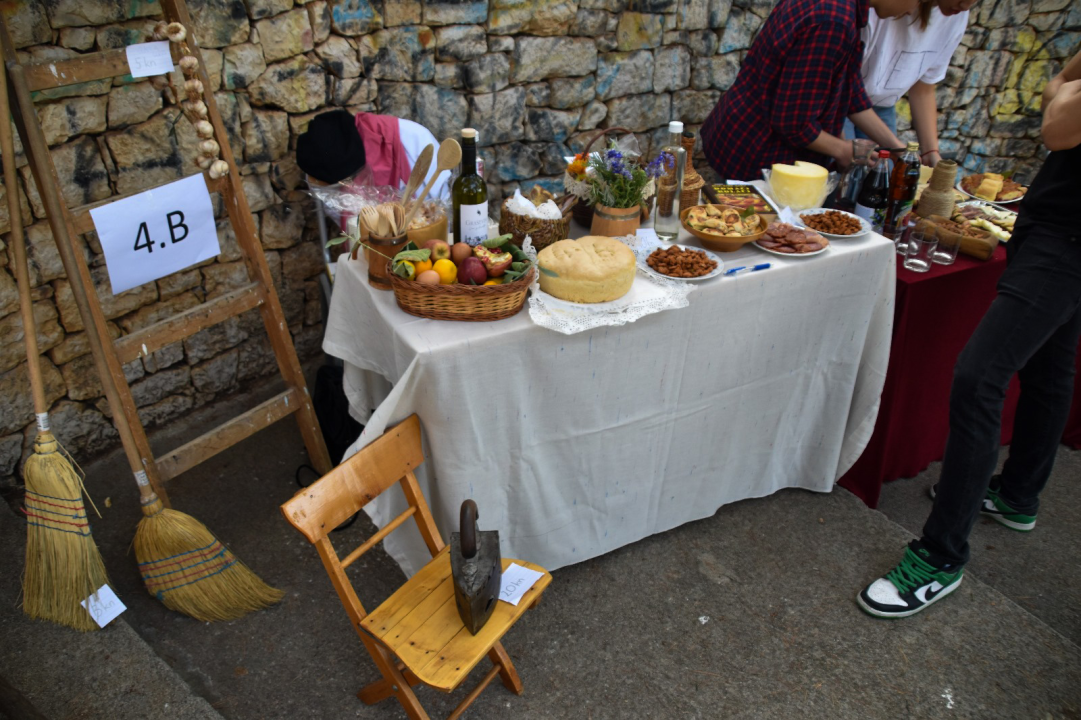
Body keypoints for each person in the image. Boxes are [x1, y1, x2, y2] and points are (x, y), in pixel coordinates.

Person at [858, 50, 1081, 619]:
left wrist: (1057, 88)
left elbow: (1057, 123)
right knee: (1050, 367)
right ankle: (1018, 495)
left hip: (1067, 241)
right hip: (1053, 219)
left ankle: (940, 554)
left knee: (979, 377)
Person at [700, 0, 917, 182]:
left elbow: (849, 89)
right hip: (758, 158)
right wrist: (842, 150)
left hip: (751, 144)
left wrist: (896, 147)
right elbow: (793, 122)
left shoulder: (844, 11)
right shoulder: (834, 20)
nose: (911, 11)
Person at [846, 0, 978, 166]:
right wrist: (896, 146)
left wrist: (931, 152)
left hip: (882, 106)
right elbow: (846, 87)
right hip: (839, 102)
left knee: (885, 175)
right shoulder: (877, 9)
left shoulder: (956, 17)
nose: (966, 7)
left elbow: (923, 89)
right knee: (842, 175)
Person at [296, 109, 449, 200]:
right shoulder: (318, 169)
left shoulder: (413, 138)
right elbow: (345, 220)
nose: (353, 184)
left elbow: (446, 195)